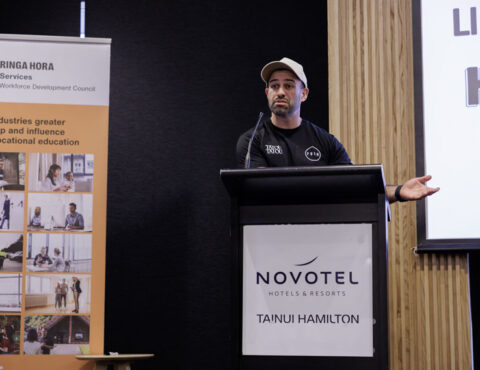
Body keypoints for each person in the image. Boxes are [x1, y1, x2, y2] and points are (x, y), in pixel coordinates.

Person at [236, 57, 440, 203]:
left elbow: (356, 187)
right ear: (267, 92)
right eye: (274, 86)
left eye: (289, 86)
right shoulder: (253, 140)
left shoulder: (326, 141)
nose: (280, 92)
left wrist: (398, 191)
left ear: (304, 94)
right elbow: (262, 191)